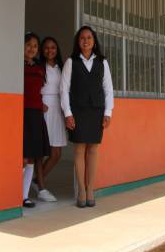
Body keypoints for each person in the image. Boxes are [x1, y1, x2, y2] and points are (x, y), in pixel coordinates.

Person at [60, 26, 114, 208]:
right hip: (77, 111)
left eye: (89, 37)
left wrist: (108, 112)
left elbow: (108, 89)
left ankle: (91, 189)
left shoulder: (102, 62)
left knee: (93, 150)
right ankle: (81, 190)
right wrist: (68, 113)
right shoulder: (71, 62)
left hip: (96, 111)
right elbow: (64, 90)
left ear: (94, 41)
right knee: (79, 150)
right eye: (82, 38)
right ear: (78, 41)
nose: (86, 41)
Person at [22, 32, 53, 208]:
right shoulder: (17, 65)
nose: (31, 48)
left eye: (34, 46)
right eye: (28, 45)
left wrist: (41, 104)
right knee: (22, 158)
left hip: (36, 115)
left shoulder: (41, 68)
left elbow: (40, 91)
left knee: (32, 158)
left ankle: (24, 196)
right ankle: (14, 195)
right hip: (22, 114)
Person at [38, 37, 67, 186]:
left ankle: (37, 180)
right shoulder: (39, 66)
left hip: (58, 108)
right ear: (42, 50)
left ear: (57, 49)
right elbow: (33, 87)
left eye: (53, 47)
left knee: (56, 153)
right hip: (44, 107)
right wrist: (39, 103)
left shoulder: (61, 66)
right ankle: (40, 184)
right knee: (41, 151)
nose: (50, 50)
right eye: (47, 48)